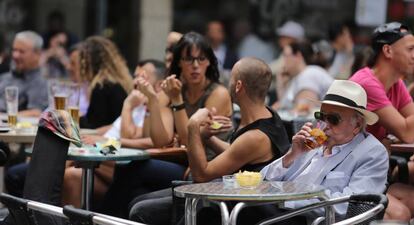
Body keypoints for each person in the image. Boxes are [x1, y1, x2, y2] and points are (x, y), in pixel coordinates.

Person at [128, 57, 291, 225]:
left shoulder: (255, 137)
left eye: (232, 79)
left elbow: (201, 175)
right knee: (138, 199)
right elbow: (236, 153)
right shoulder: (267, 115)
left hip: (233, 207)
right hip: (227, 194)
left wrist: (193, 126)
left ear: (238, 86)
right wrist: (208, 137)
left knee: (140, 211)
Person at [99, 32, 234, 218]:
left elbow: (190, 139)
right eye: (188, 59)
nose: (195, 66)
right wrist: (153, 100)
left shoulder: (217, 93)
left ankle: (101, 219)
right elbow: (160, 139)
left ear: (209, 62)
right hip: (181, 161)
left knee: (133, 169)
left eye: (201, 59)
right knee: (136, 192)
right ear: (179, 62)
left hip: (206, 169)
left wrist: (177, 102)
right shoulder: (173, 88)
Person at [262, 80, 388, 222]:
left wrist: (286, 201)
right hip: (281, 210)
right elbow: (263, 180)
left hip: (310, 219)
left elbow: (349, 205)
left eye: (333, 120)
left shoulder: (372, 152)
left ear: (357, 125)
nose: (324, 126)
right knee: (238, 206)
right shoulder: (311, 145)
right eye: (321, 117)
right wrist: (292, 155)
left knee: (247, 211)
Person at [61, 59, 166, 207]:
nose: (136, 81)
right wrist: (92, 133)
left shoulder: (148, 107)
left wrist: (127, 105)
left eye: (143, 77)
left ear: (159, 84)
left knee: (70, 158)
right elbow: (113, 127)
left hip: (117, 153)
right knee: (70, 172)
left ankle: (41, 198)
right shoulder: (138, 103)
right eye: (136, 76)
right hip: (108, 148)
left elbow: (128, 136)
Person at [350, 22, 414, 221]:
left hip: (373, 170)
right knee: (401, 213)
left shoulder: (396, 83)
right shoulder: (368, 83)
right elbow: (407, 132)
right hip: (347, 176)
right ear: (387, 50)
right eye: (411, 49)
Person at [79, 36, 133, 131]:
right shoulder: (119, 82)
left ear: (88, 62)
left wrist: (74, 119)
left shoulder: (101, 86)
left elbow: (95, 125)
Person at [272, 41, 333, 114]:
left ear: (298, 56)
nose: (283, 61)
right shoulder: (298, 77)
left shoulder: (308, 74)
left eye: (286, 56)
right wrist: (281, 84)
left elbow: (303, 110)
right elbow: (282, 104)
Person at [0, 31, 48, 117]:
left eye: (21, 51)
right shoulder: (4, 77)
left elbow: (35, 113)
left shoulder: (40, 83)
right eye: (14, 50)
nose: (15, 55)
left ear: (37, 54)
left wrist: (4, 117)